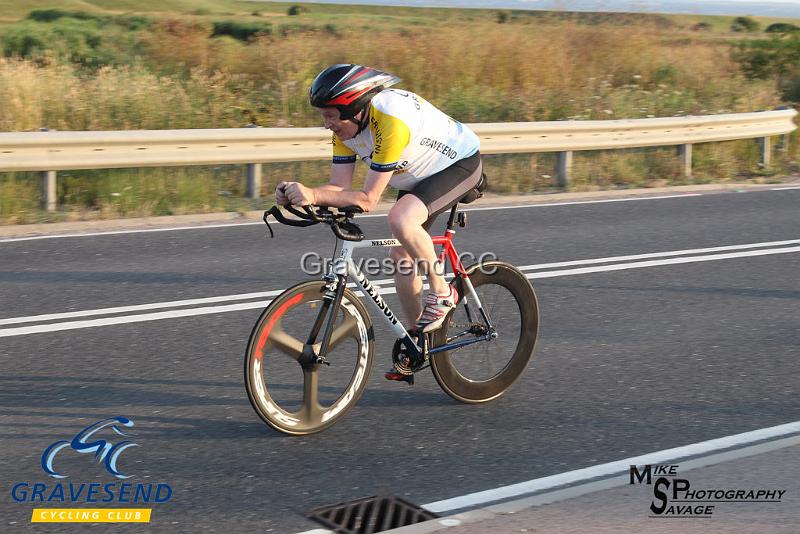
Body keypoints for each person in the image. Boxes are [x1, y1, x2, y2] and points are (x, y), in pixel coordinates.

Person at [276, 64, 483, 376]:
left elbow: (367, 200)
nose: (327, 124)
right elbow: (339, 189)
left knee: (400, 219)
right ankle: (418, 341)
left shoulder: (390, 122)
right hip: (418, 176)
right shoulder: (346, 130)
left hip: (458, 164)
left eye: (332, 115)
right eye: (323, 115)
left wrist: (313, 195)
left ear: (356, 109)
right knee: (401, 255)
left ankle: (442, 292)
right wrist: (300, 193)